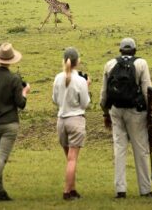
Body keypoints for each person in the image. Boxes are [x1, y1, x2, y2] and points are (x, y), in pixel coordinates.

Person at [100, 37, 152, 198]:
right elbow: (148, 91)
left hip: (116, 111)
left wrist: (105, 112)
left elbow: (104, 94)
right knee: (141, 150)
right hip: (136, 112)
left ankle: (120, 190)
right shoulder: (141, 64)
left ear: (120, 51)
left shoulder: (110, 64)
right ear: (135, 50)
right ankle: (145, 190)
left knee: (119, 149)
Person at [0, 42, 30, 202]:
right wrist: (25, 92)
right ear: (11, 59)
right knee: (2, 158)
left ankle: (0, 192)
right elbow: (20, 104)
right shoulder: (14, 79)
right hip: (9, 124)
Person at [52, 47, 90, 200]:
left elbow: (55, 100)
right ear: (77, 61)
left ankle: (73, 189)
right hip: (75, 120)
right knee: (72, 158)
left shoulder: (57, 78)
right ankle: (67, 191)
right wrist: (86, 86)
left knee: (69, 158)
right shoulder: (80, 81)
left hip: (61, 121)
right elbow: (85, 103)